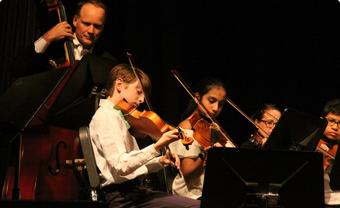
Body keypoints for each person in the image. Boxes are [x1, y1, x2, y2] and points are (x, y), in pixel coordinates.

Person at [89, 63, 200, 208]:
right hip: (122, 199)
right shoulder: (106, 116)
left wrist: (160, 161)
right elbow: (121, 167)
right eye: (138, 91)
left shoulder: (119, 117)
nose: (142, 100)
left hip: (134, 193)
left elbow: (130, 170)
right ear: (119, 85)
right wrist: (157, 146)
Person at [11, 0, 118, 78]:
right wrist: (46, 38)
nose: (91, 30)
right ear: (75, 20)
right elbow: (17, 70)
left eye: (97, 26)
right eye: (86, 23)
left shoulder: (108, 62)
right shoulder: (53, 48)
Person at [169, 77, 235, 200]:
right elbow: (187, 170)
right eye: (211, 101)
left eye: (220, 104)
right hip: (191, 195)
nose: (215, 108)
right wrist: (206, 154)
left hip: (213, 192)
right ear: (197, 97)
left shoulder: (215, 128)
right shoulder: (186, 128)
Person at [316, 98, 340, 207]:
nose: (335, 127)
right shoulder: (311, 142)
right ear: (322, 120)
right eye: (331, 121)